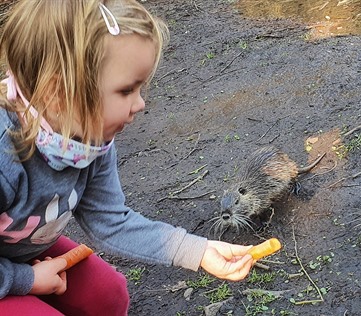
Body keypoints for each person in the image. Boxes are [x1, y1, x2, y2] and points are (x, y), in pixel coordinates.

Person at [0, 1, 255, 315]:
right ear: (59, 93)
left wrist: (198, 251)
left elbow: (111, 222)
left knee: (107, 295)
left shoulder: (90, 140)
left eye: (140, 89)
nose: (140, 104)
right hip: (15, 269)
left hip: (20, 252)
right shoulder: (5, 156)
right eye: (126, 91)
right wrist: (25, 279)